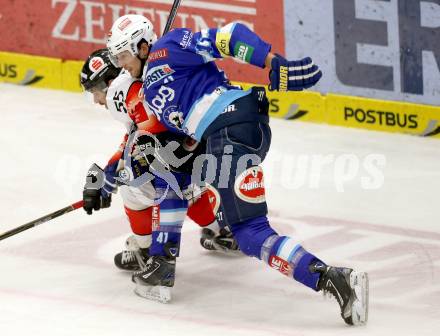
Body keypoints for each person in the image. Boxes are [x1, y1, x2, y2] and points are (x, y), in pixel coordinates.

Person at [107, 15, 369, 325]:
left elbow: (229, 37)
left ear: (141, 45)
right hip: (239, 133)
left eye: (123, 55)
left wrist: (272, 62)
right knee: (176, 176)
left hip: (230, 128)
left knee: (250, 233)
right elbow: (184, 143)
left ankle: (335, 279)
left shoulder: (168, 47)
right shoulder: (150, 91)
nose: (121, 64)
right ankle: (165, 258)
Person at [80, 49, 239, 274]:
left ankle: (145, 252)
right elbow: (136, 136)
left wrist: (114, 175)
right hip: (206, 145)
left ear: (109, 82)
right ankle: (224, 230)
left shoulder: (128, 92)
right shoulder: (140, 85)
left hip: (189, 154)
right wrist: (110, 169)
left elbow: (150, 138)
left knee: (132, 186)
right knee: (182, 183)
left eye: (95, 91)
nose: (96, 100)